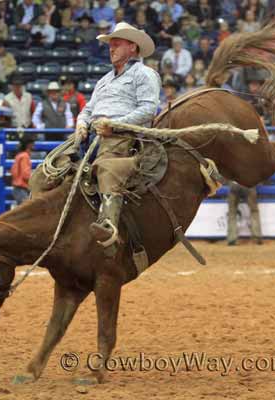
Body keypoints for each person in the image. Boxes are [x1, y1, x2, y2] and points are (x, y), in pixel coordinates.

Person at [74, 22, 160, 246]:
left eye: (117, 44)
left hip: (123, 138)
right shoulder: (104, 80)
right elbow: (88, 109)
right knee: (52, 168)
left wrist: (115, 125)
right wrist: (82, 123)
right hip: (91, 137)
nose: (111, 49)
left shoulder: (145, 74)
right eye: (110, 45)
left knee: (107, 169)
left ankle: (109, 227)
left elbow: (148, 109)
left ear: (132, 47)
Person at [10, 138, 34, 205]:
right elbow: (26, 174)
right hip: (21, 188)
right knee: (27, 210)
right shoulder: (25, 156)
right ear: (29, 145)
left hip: (17, 188)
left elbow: (13, 171)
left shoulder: (19, 155)